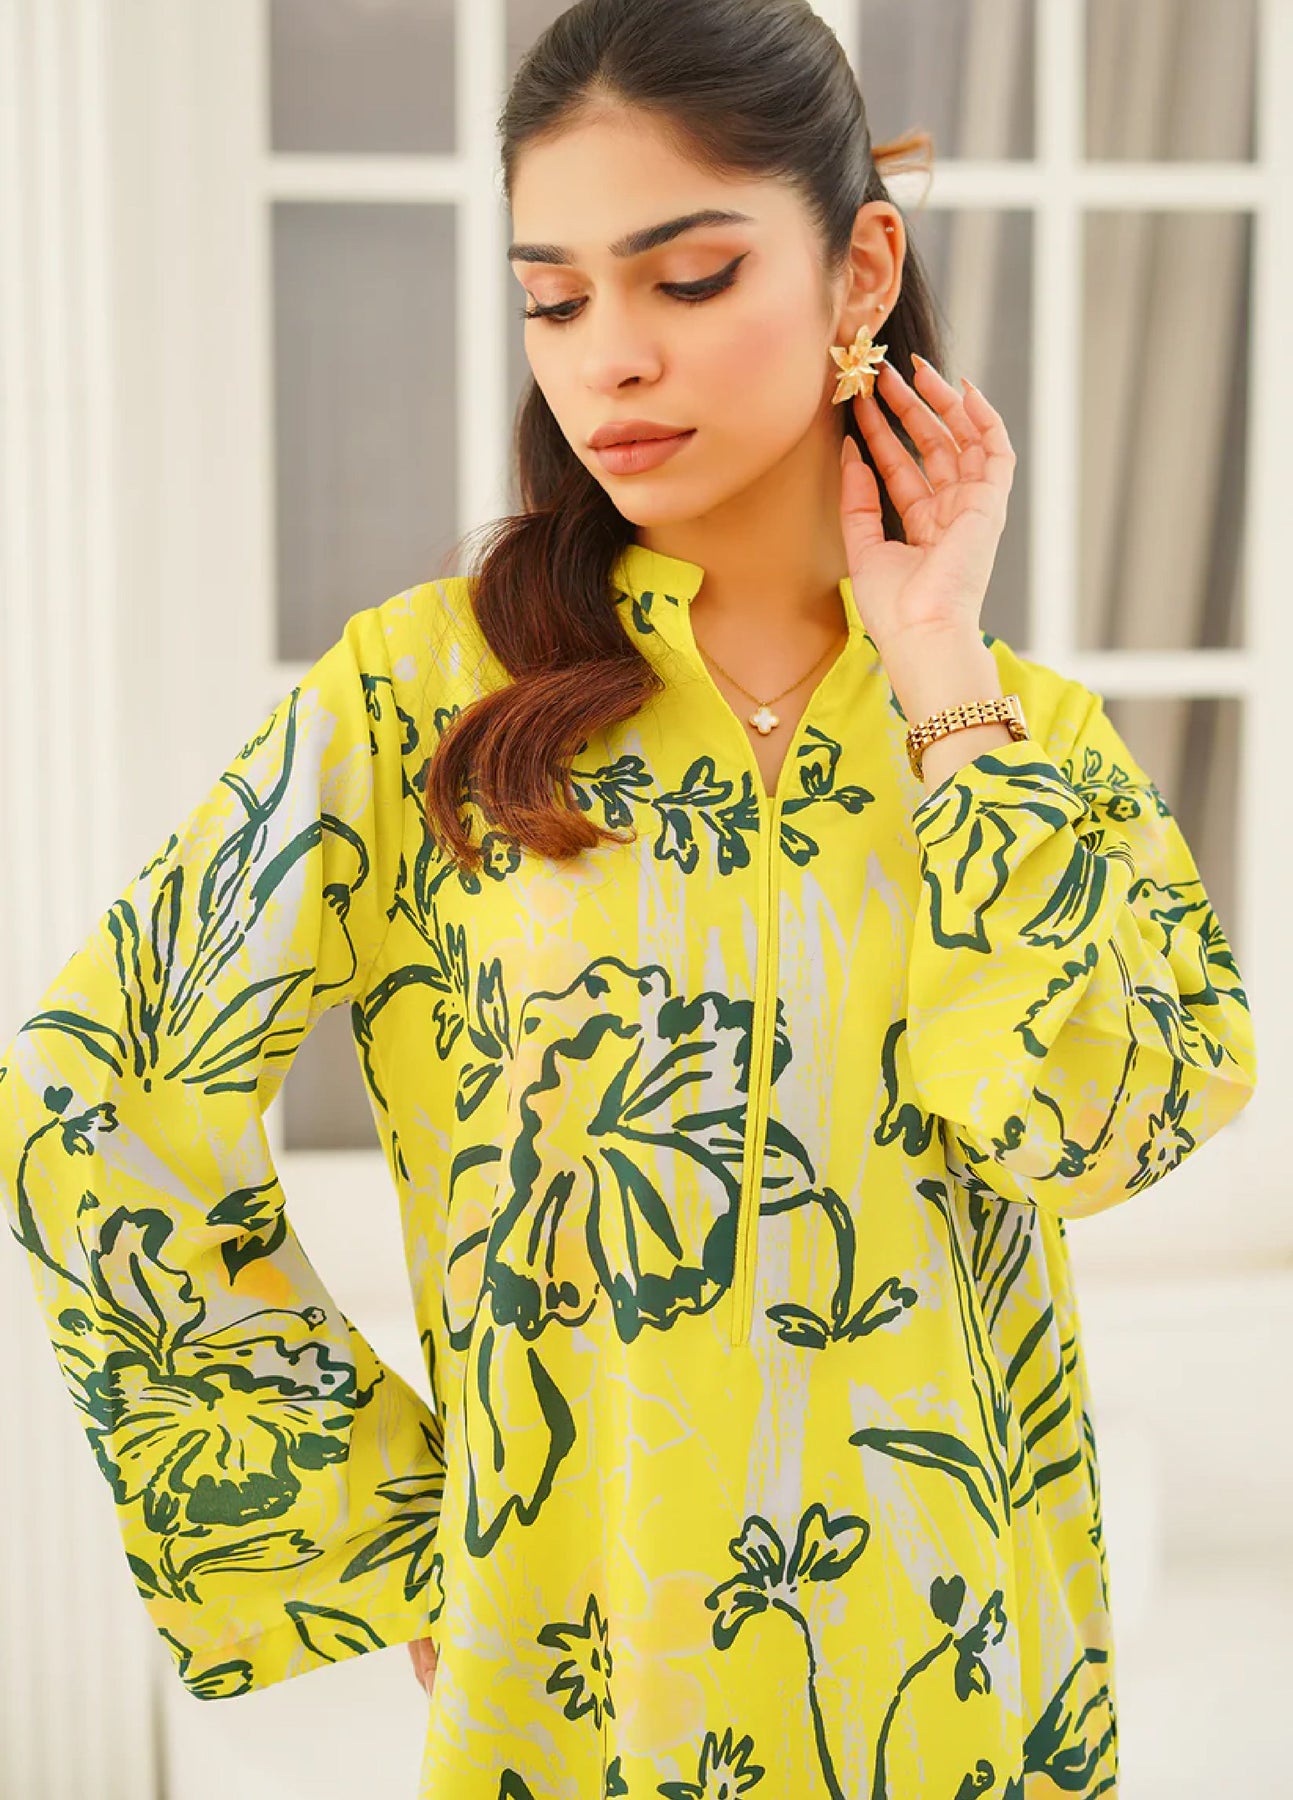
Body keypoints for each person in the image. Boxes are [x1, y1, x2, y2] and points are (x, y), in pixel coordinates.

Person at [0, 0, 1258, 1795]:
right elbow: (91, 1092)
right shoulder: (420, 700)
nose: (609, 361)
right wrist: (373, 1521)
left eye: (686, 279)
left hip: (963, 1679)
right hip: (579, 1680)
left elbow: (1087, 1131)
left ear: (858, 272)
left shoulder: (1015, 735)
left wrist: (935, 663)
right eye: (555, 299)